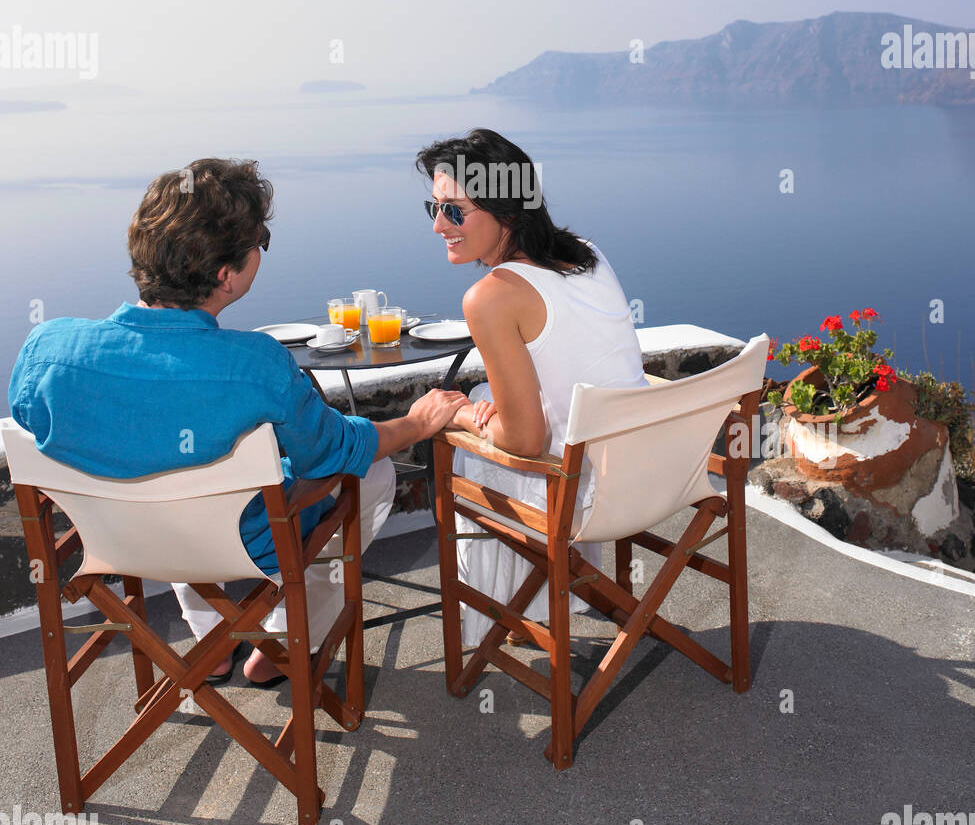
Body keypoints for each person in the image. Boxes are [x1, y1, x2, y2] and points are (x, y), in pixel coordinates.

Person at [8, 157, 467, 684]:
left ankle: (210, 639)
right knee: (374, 475)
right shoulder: (255, 364)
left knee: (161, 462)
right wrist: (414, 423)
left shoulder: (47, 349)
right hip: (236, 544)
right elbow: (331, 450)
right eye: (259, 242)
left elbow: (42, 433)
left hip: (114, 541)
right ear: (226, 275)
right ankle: (279, 645)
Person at [416, 128, 648, 645]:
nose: (437, 226)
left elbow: (525, 443)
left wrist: (451, 416)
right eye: (432, 208)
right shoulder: (586, 253)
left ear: (508, 210)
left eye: (454, 210)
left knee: (463, 437)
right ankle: (553, 594)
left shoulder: (490, 297)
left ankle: (508, 618)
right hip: (652, 465)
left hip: (587, 492)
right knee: (485, 405)